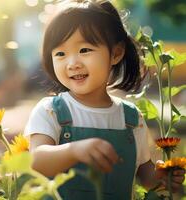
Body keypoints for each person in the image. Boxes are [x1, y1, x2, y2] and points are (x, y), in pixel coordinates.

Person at [24, 0, 185, 199]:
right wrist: (73, 150)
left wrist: (163, 177)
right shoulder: (51, 110)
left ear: (116, 53)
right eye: (60, 53)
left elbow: (145, 175)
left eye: (84, 50)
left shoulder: (131, 118)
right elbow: (36, 160)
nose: (72, 63)